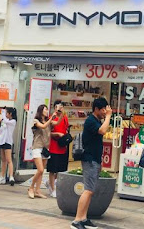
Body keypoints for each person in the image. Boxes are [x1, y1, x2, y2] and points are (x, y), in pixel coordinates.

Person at [71, 97, 112, 229]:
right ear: (96, 109)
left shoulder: (96, 121)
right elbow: (102, 131)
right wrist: (109, 116)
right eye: (103, 110)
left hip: (94, 159)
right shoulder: (90, 121)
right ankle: (77, 220)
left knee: (90, 190)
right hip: (89, 160)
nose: (105, 112)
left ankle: (83, 218)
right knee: (88, 190)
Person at [29, 103, 55, 199]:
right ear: (41, 111)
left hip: (45, 148)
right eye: (45, 109)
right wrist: (51, 119)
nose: (47, 111)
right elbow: (43, 126)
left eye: (47, 109)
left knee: (41, 171)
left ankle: (37, 190)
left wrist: (60, 114)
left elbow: (56, 123)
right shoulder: (36, 121)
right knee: (40, 169)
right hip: (37, 146)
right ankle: (31, 187)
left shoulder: (48, 121)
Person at [47, 100, 70, 198]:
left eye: (61, 107)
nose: (59, 109)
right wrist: (57, 134)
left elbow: (66, 128)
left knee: (60, 169)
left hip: (62, 146)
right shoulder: (51, 118)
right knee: (52, 169)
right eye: (58, 107)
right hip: (53, 146)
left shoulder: (65, 118)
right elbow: (49, 132)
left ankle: (51, 183)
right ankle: (53, 189)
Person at [0, 107, 17, 186]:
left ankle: (11, 177)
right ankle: (2, 177)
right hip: (2, 141)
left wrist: (3, 114)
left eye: (7, 113)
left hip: (8, 142)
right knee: (3, 160)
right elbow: (2, 130)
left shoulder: (13, 121)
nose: (5, 114)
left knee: (9, 160)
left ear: (10, 114)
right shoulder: (5, 121)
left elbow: (7, 122)